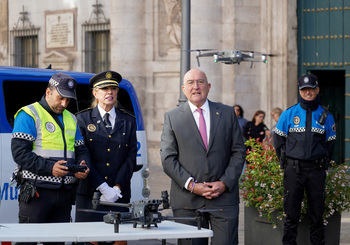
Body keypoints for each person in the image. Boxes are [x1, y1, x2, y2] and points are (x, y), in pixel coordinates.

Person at [160, 68, 246, 245]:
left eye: (200, 82)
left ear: (208, 87)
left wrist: (224, 183)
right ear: (183, 89)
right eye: (190, 83)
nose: (196, 87)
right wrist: (192, 185)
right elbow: (168, 158)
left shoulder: (227, 113)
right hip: (187, 202)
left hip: (223, 199)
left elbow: (238, 151)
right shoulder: (172, 117)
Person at [11, 73, 90, 245]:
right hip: (36, 192)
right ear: (48, 92)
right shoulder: (29, 114)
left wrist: (84, 165)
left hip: (64, 194)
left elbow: (81, 149)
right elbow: (20, 153)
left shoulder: (71, 118)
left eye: (68, 100)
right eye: (60, 98)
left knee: (57, 242)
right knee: (27, 242)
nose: (64, 104)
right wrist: (49, 168)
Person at [75, 71, 137, 245]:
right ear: (95, 93)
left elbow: (131, 158)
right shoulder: (82, 119)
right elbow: (83, 155)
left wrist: (116, 188)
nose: (110, 92)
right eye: (105, 89)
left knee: (118, 240)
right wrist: (103, 187)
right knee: (89, 240)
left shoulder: (128, 121)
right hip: (90, 194)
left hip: (119, 195)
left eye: (113, 89)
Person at [274, 74, 336, 245]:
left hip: (316, 171)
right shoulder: (288, 114)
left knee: (317, 215)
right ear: (300, 91)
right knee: (291, 215)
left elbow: (330, 144)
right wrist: (287, 163)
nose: (308, 92)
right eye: (304, 89)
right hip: (294, 171)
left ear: (318, 90)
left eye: (311, 89)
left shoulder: (326, 115)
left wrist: (322, 164)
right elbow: (278, 141)